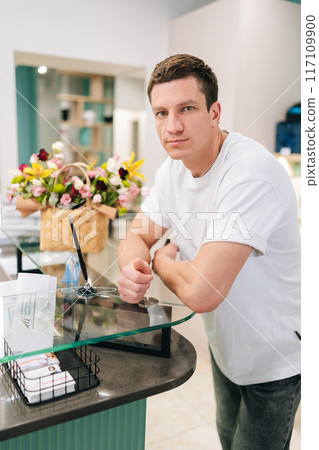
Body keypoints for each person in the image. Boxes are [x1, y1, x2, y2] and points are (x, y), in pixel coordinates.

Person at [117, 54, 301, 449]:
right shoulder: (173, 170)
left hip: (276, 358)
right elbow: (137, 234)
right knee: (226, 439)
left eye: (187, 108)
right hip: (227, 348)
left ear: (214, 111)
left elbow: (203, 293)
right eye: (161, 112)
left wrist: (162, 262)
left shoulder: (249, 174)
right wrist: (132, 267)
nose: (173, 126)